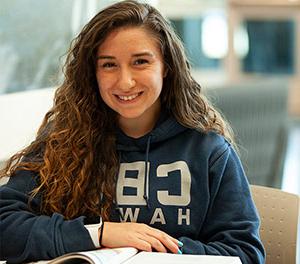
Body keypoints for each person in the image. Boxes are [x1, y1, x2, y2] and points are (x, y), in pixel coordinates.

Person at [0, 1, 265, 263]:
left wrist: (154, 249)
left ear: (167, 68)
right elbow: (5, 225)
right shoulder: (62, 139)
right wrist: (99, 233)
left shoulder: (209, 150)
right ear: (92, 74)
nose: (125, 82)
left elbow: (245, 254)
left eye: (140, 62)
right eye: (108, 65)